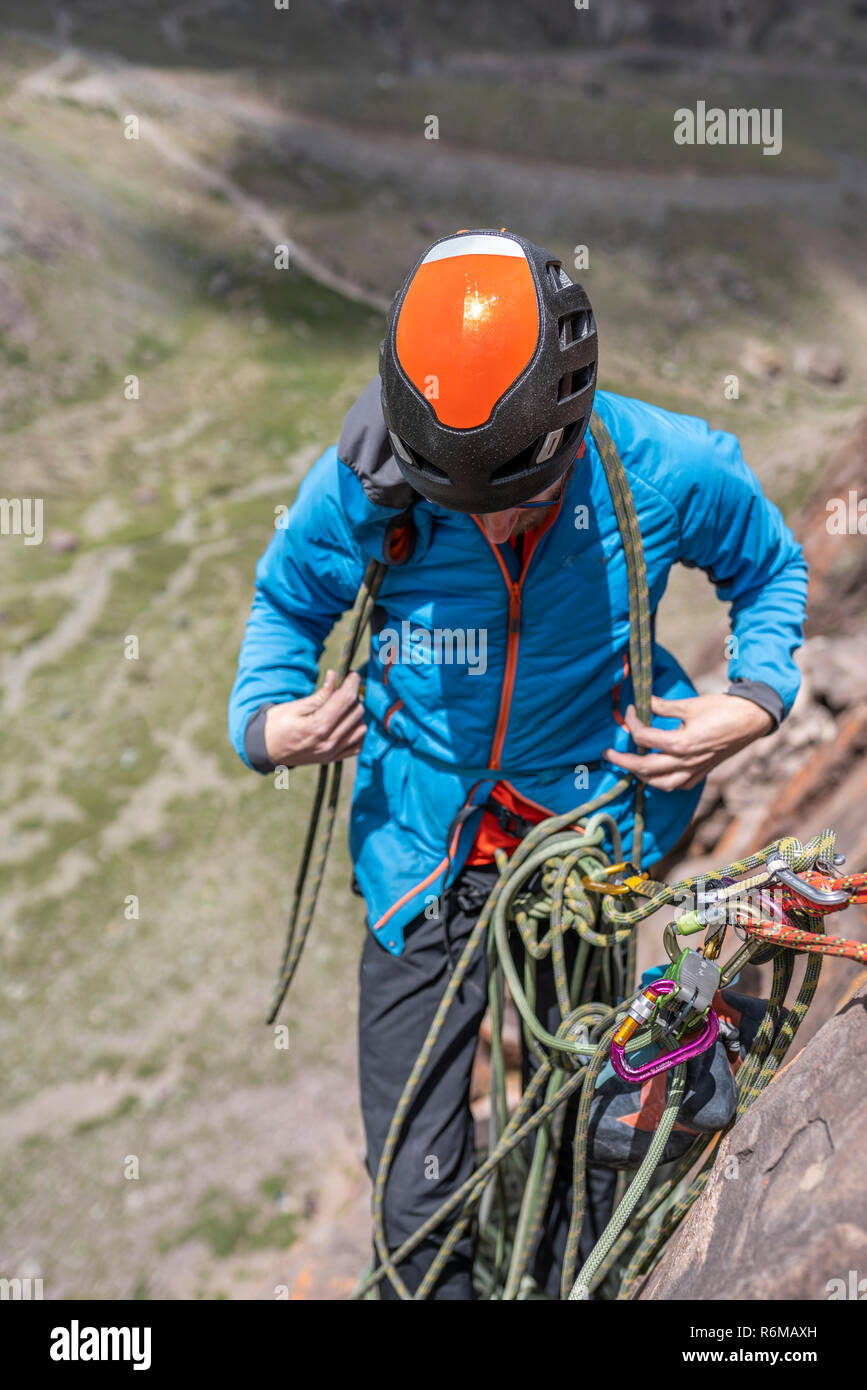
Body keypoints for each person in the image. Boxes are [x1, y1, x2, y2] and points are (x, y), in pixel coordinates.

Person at [228, 229, 807, 1298]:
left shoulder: (664, 465)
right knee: (414, 1196)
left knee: (575, 1141)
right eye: (462, 500)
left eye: (521, 495)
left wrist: (755, 698)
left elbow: (767, 567)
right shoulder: (367, 486)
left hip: (583, 859)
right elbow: (284, 605)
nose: (491, 520)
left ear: (569, 425)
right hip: (420, 861)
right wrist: (268, 725)